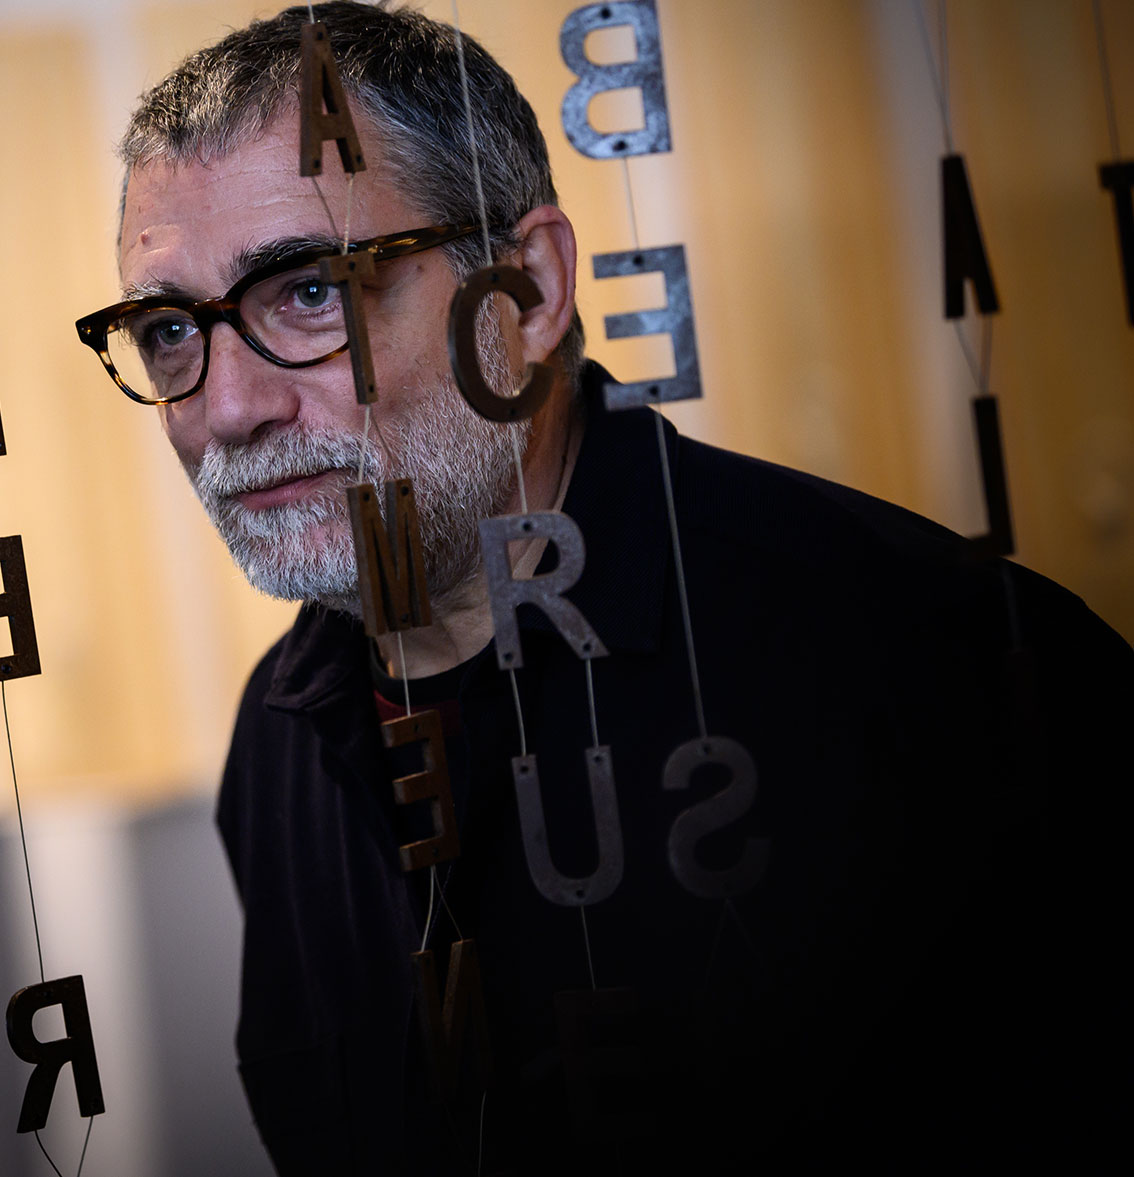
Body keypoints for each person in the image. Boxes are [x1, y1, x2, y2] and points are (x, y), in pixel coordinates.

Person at [77, 3, 1131, 1173]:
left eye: (311, 293)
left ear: (524, 296)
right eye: (170, 330)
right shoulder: (280, 745)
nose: (226, 409)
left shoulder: (930, 663)